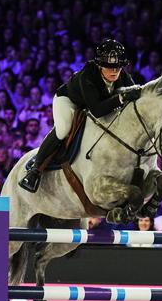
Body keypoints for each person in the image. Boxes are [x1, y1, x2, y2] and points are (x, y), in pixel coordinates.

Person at [19, 39, 140, 192]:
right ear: (99, 64)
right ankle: (35, 170)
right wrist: (122, 98)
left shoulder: (123, 76)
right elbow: (96, 110)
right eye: (110, 67)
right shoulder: (87, 76)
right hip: (69, 101)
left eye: (118, 66)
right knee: (63, 129)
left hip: (95, 104)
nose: (114, 71)